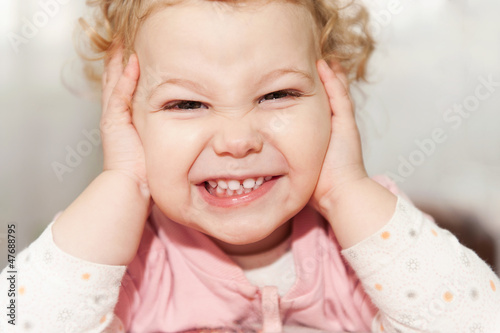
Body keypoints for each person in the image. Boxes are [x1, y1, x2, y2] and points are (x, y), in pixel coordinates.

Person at [2, 0, 500, 332]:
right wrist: (122, 185)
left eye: (277, 94)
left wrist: (346, 191)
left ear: (332, 100)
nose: (238, 140)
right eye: (186, 105)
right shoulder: (122, 256)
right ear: (124, 117)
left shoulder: (368, 239)